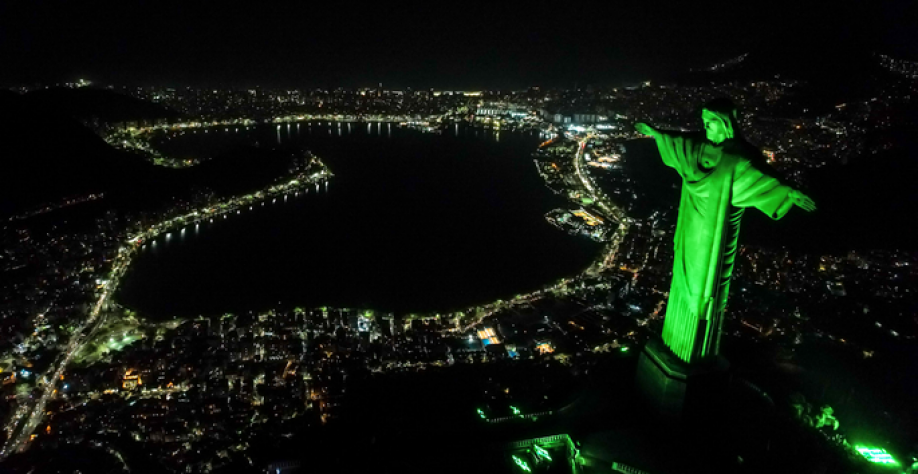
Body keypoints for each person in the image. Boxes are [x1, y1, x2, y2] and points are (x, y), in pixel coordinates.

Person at [634, 98, 816, 364]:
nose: (706, 127)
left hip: (715, 235)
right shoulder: (698, 148)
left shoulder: (738, 159)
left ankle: (695, 352)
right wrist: (654, 133)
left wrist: (789, 192)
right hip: (690, 227)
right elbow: (677, 142)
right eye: (704, 122)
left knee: (706, 285)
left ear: (725, 124)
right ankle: (675, 341)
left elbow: (763, 179)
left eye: (711, 123)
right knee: (681, 277)